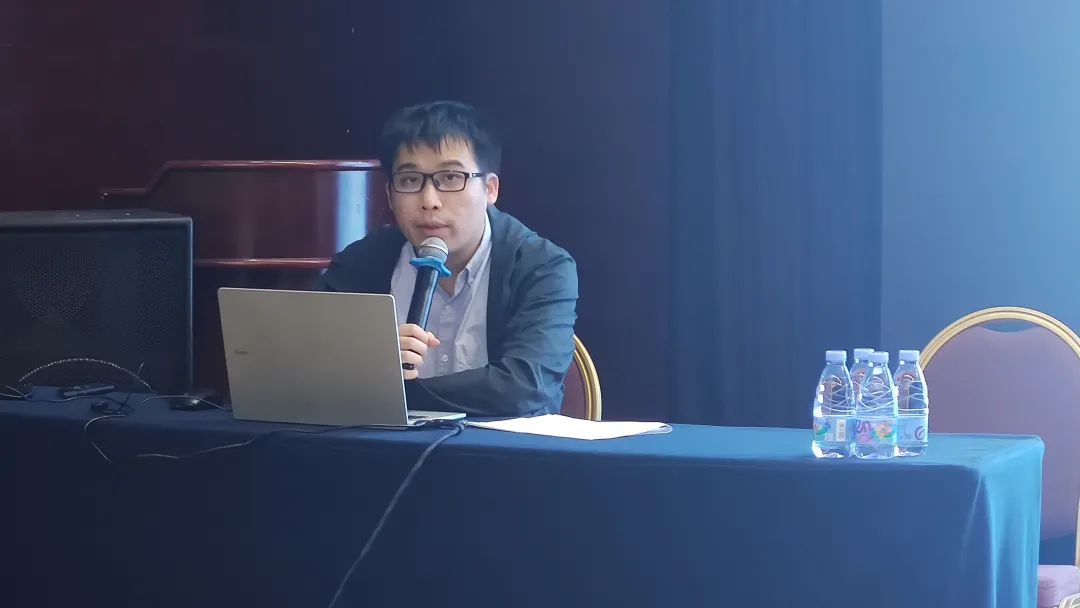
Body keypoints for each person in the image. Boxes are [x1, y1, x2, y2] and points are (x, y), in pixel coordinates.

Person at [315, 100, 578, 417]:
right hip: (382, 444)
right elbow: (307, 368)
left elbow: (525, 387)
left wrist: (386, 388)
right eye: (410, 180)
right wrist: (363, 361)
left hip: (502, 446)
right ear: (389, 194)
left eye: (451, 178)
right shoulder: (360, 263)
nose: (429, 201)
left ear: (490, 189)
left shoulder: (541, 267)